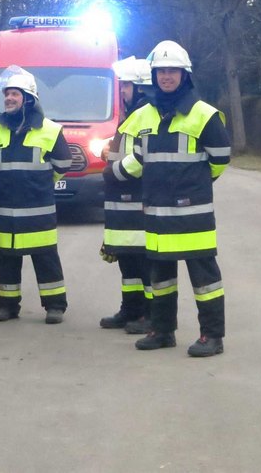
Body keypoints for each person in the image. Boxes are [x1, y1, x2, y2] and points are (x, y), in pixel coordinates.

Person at [112, 41, 231, 357]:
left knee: (204, 278)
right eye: (161, 71)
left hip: (193, 212)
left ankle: (212, 337)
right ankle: (163, 331)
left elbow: (220, 158)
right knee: (160, 277)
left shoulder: (204, 114)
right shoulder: (143, 116)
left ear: (184, 75)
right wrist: (114, 172)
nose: (166, 76)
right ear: (153, 76)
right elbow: (138, 157)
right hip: (157, 212)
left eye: (172, 71)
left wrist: (195, 185)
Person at [0, 65, 72, 324]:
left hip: (38, 209)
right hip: (4, 210)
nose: (9, 98)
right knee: (6, 258)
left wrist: (39, 182)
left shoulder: (50, 130)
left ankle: (55, 306)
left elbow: (63, 164)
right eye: (7, 94)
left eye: (16, 94)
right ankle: (7, 306)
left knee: (45, 257)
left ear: (29, 99)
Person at [99, 56, 154, 335]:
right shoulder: (134, 113)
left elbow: (141, 159)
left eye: (127, 86)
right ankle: (131, 309)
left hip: (137, 200)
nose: (122, 92)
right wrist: (109, 154)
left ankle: (149, 314)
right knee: (128, 260)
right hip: (124, 203)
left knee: (144, 263)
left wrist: (113, 168)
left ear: (141, 87)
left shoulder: (147, 114)